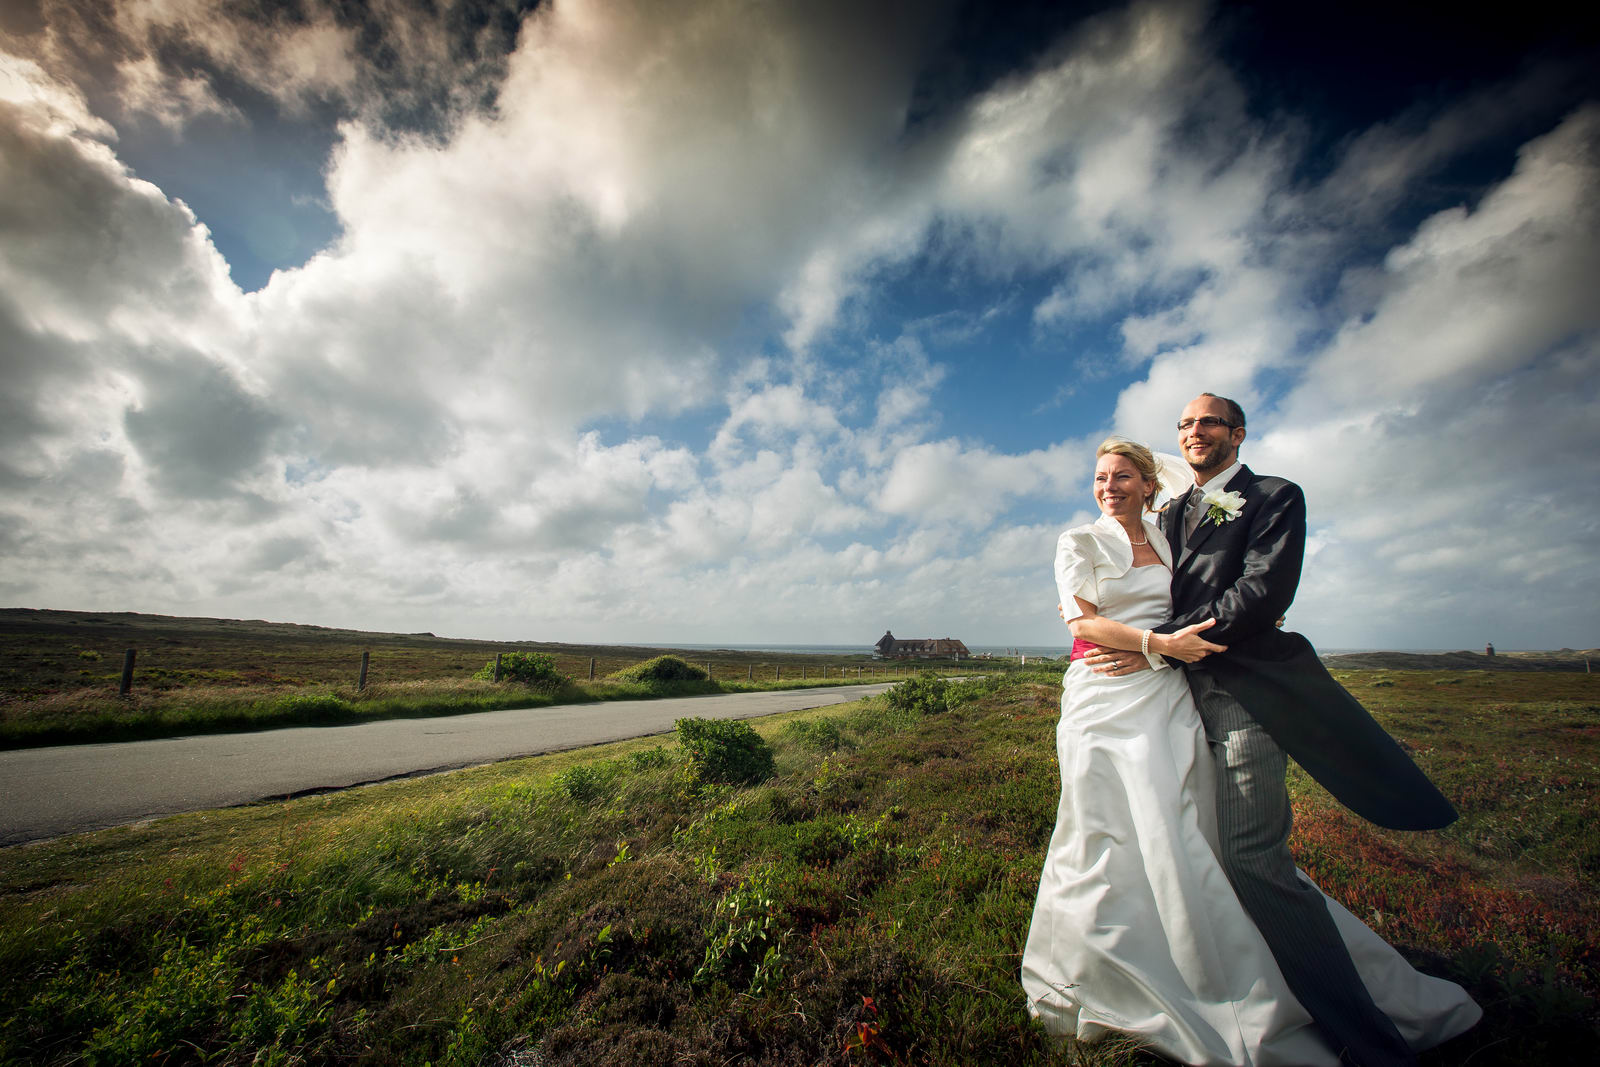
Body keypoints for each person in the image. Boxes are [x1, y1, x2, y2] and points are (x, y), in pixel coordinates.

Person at [1022, 434, 1480, 1065]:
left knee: (1186, 822)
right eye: (1100, 477)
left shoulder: (1167, 534)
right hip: (1105, 697)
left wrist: (1221, 628)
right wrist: (1159, 645)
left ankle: (1236, 964)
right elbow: (1081, 623)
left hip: (1169, 695)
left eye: (1123, 476)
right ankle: (1109, 967)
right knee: (1106, 829)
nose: (1109, 487)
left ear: (1149, 485)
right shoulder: (1078, 541)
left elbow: (1211, 583)